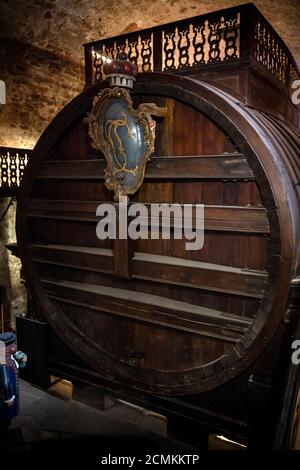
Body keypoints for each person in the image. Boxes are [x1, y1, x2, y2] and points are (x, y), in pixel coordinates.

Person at [0, 333, 27, 433]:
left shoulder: (9, 356)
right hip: (5, 395)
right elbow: (5, 382)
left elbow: (21, 363)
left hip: (11, 390)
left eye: (14, 345)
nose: (13, 348)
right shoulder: (2, 363)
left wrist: (22, 357)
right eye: (11, 346)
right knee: (5, 417)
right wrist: (9, 398)